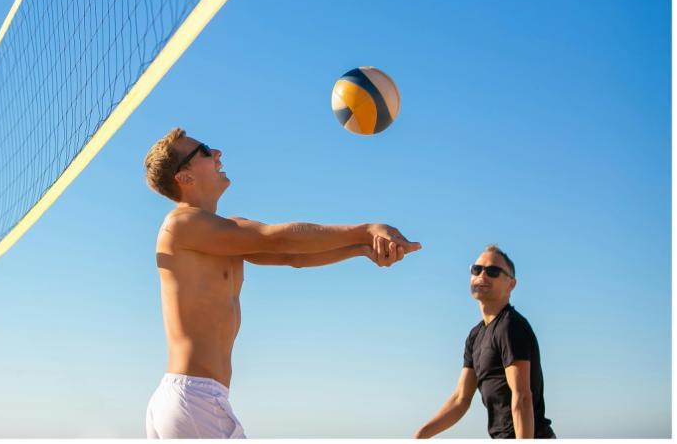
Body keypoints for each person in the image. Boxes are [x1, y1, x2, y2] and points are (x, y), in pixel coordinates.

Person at [142, 128, 422, 438]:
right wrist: (366, 230)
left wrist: (364, 248)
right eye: (206, 151)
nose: (218, 153)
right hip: (194, 399)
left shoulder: (224, 230)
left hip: (193, 399)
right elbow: (278, 239)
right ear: (184, 177)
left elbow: (291, 255)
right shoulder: (180, 224)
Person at [414, 245, 555, 439]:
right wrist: (420, 435)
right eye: (476, 269)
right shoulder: (475, 336)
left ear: (511, 284)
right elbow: (461, 399)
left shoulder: (511, 326)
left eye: (493, 271)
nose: (482, 275)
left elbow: (522, 396)